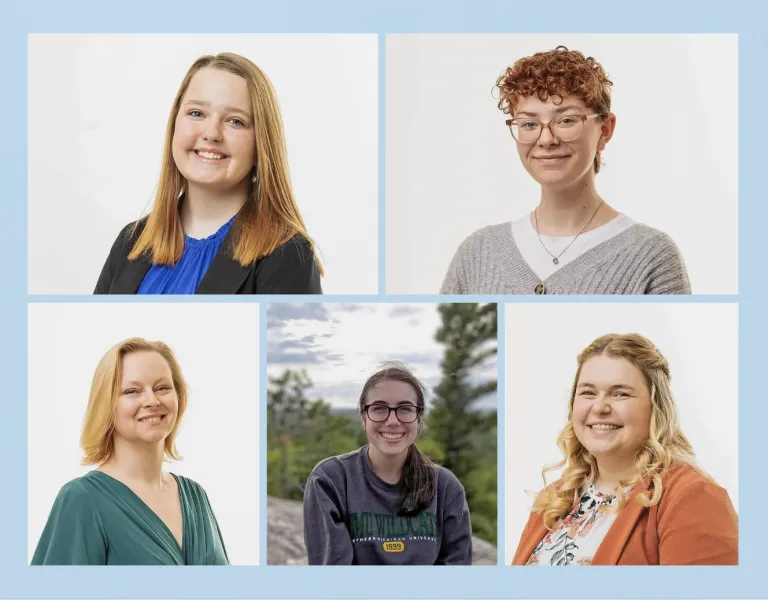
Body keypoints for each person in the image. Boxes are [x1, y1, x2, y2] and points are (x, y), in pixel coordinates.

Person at [441, 46, 690, 295]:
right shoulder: (477, 253)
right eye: (529, 123)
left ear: (605, 130)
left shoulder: (652, 257)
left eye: (566, 120)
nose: (546, 139)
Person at [94, 52, 322, 294]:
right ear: (174, 124)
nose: (212, 133)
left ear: (261, 144)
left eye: (235, 121)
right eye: (197, 113)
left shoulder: (288, 255)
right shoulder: (131, 242)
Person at [512, 333, 737, 566]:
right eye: (588, 392)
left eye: (620, 393)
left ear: (656, 406)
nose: (599, 407)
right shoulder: (554, 499)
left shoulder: (693, 498)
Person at [32, 338, 228, 565]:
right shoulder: (82, 500)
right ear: (106, 403)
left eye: (163, 387)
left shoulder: (196, 496)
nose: (152, 400)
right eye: (132, 391)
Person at [303, 362, 472, 565]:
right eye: (379, 408)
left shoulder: (445, 488)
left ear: (420, 418)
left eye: (405, 408)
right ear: (363, 416)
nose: (392, 420)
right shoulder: (331, 481)